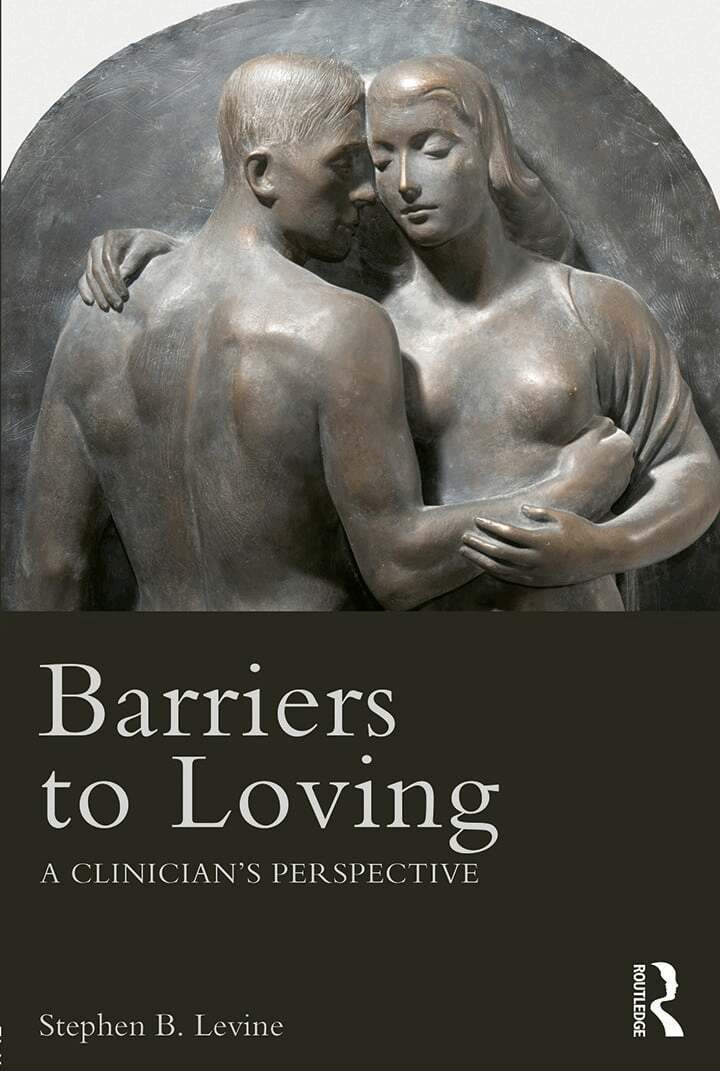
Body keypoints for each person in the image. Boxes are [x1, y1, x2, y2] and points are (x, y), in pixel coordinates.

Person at [84, 54, 720, 610]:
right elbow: (247, 279)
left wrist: (606, 546)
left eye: (434, 150)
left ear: (491, 152)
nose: (406, 183)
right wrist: (171, 257)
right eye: (382, 160)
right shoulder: (357, 322)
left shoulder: (590, 307)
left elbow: (690, 468)